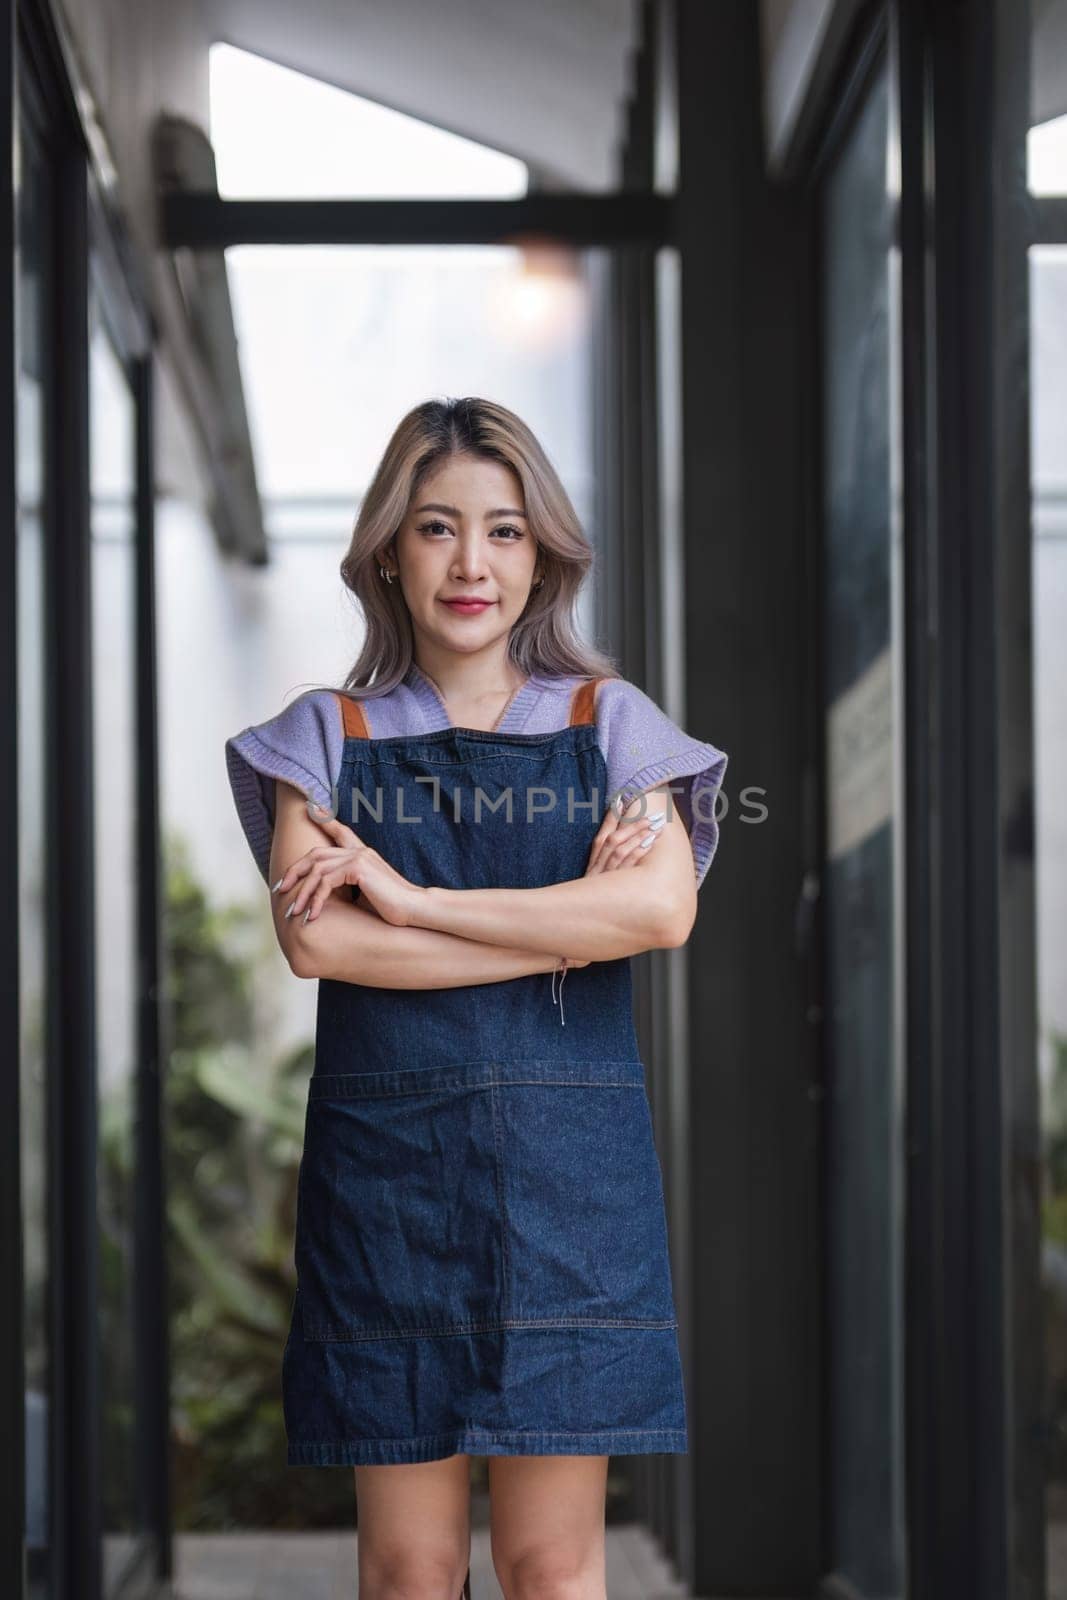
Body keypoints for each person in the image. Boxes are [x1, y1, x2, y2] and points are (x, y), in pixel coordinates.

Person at [224, 396, 728, 1600]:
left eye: (503, 532)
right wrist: (562, 929)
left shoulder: (614, 726)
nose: (470, 563)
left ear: (541, 554)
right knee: (409, 1571)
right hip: (390, 1182)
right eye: (437, 527)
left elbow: (657, 913)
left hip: (574, 1182)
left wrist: (410, 900)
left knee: (555, 1570)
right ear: (388, 551)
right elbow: (318, 950)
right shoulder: (320, 736)